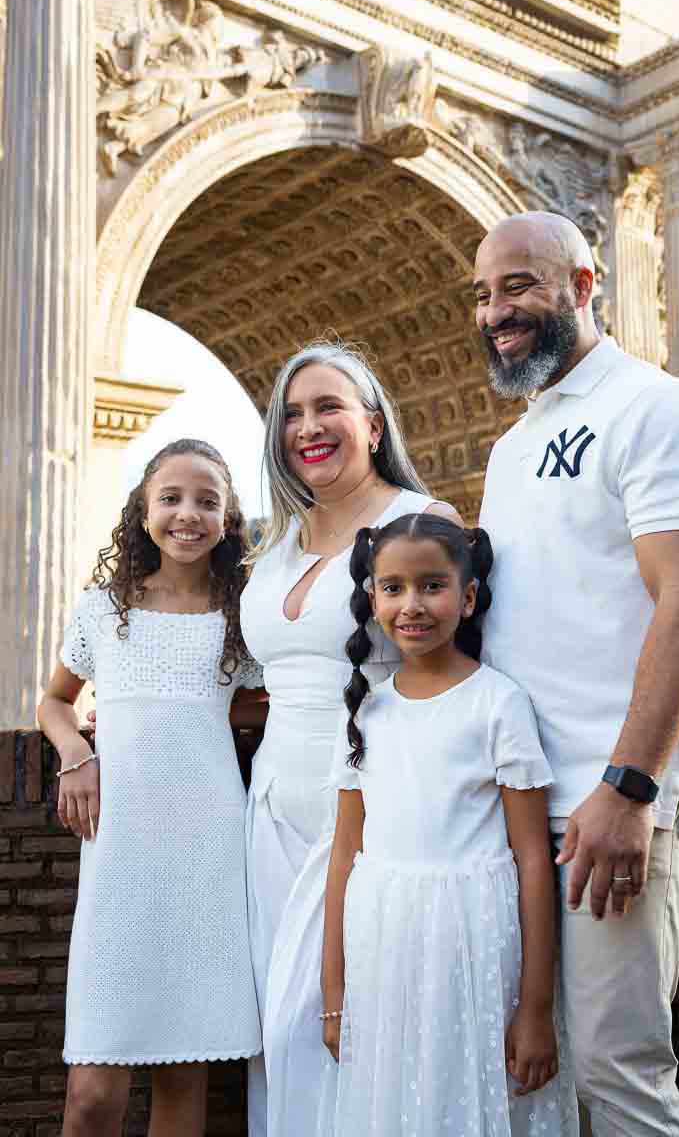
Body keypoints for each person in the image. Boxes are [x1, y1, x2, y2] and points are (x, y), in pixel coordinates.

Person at [473, 211, 679, 1136]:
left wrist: (630, 789)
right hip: (521, 805)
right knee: (536, 1081)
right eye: (482, 293)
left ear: (586, 286)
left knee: (618, 1073)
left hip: (615, 801)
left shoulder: (660, 409)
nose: (495, 310)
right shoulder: (510, 448)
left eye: (519, 285)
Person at [239, 341, 458, 1136]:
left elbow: (461, 675)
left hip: (367, 809)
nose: (308, 427)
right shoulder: (276, 542)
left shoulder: (423, 521)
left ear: (372, 422)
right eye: (292, 414)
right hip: (267, 816)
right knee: (277, 1033)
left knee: (346, 1022)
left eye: (328, 407)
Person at [321, 513, 579, 1137]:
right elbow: (344, 855)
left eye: (432, 586)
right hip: (386, 944)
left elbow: (532, 859)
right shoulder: (366, 713)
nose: (412, 605)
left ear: (466, 598)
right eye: (393, 588)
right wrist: (335, 995)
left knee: (477, 1098)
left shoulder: (498, 704)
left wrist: (536, 1009)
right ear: (373, 599)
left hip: (476, 944)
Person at [38, 438, 264, 1137]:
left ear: (228, 521)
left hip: (208, 851)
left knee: (182, 1073)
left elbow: (266, 701)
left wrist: (211, 708)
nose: (187, 515)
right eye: (170, 498)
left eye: (206, 502)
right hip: (121, 855)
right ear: (142, 512)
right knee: (93, 1094)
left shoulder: (241, 615)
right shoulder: (104, 610)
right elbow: (53, 703)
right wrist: (77, 751)